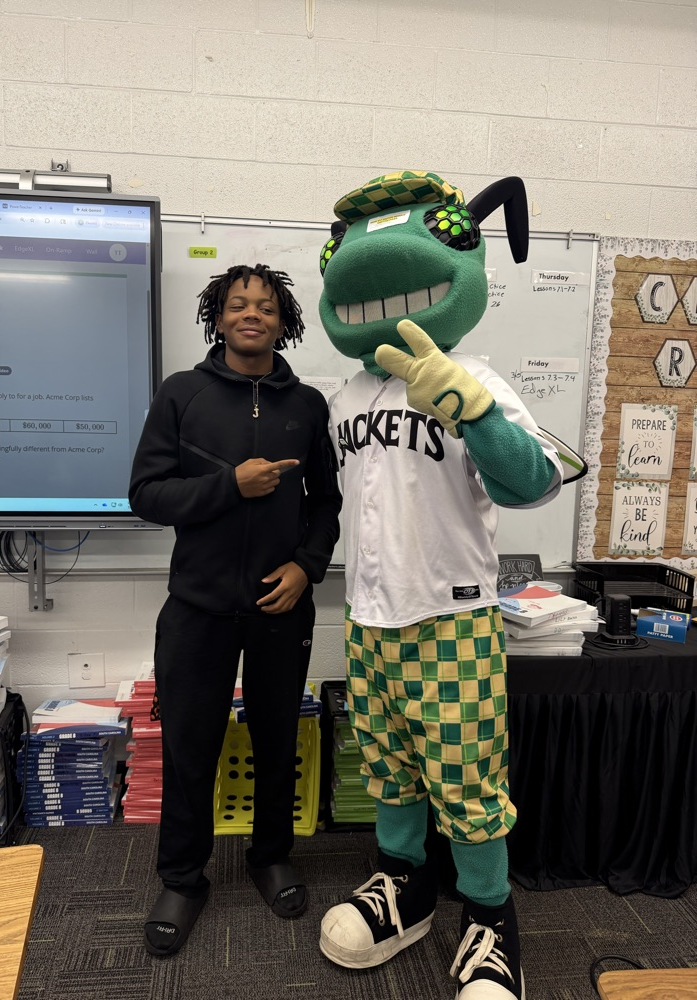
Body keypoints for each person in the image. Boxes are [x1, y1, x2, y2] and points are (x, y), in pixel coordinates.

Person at [317, 171, 575, 999]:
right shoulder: (345, 396)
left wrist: (476, 414)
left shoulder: (483, 379)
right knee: (389, 770)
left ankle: (492, 923)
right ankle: (405, 889)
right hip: (369, 618)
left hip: (451, 621)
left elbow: (531, 484)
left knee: (467, 783)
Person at [129, 262, 341, 958]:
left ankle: (269, 856)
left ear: (285, 323)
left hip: (282, 606)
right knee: (192, 745)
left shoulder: (308, 405)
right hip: (198, 607)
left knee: (279, 738)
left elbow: (326, 505)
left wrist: (306, 567)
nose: (253, 314)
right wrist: (231, 485)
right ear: (217, 318)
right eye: (238, 304)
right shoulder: (182, 394)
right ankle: (182, 878)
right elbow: (148, 495)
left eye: (267, 306)